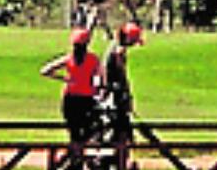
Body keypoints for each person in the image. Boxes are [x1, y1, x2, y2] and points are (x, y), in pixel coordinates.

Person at [41, 28, 102, 157]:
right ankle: (76, 158)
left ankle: (74, 158)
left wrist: (64, 79)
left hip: (70, 98)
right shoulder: (93, 59)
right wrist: (97, 88)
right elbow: (99, 78)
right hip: (87, 99)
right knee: (88, 130)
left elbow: (45, 70)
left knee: (74, 133)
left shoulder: (69, 59)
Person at [102, 20, 143, 145]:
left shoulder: (113, 46)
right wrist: (126, 95)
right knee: (121, 129)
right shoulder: (118, 51)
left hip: (111, 91)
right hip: (115, 94)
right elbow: (121, 75)